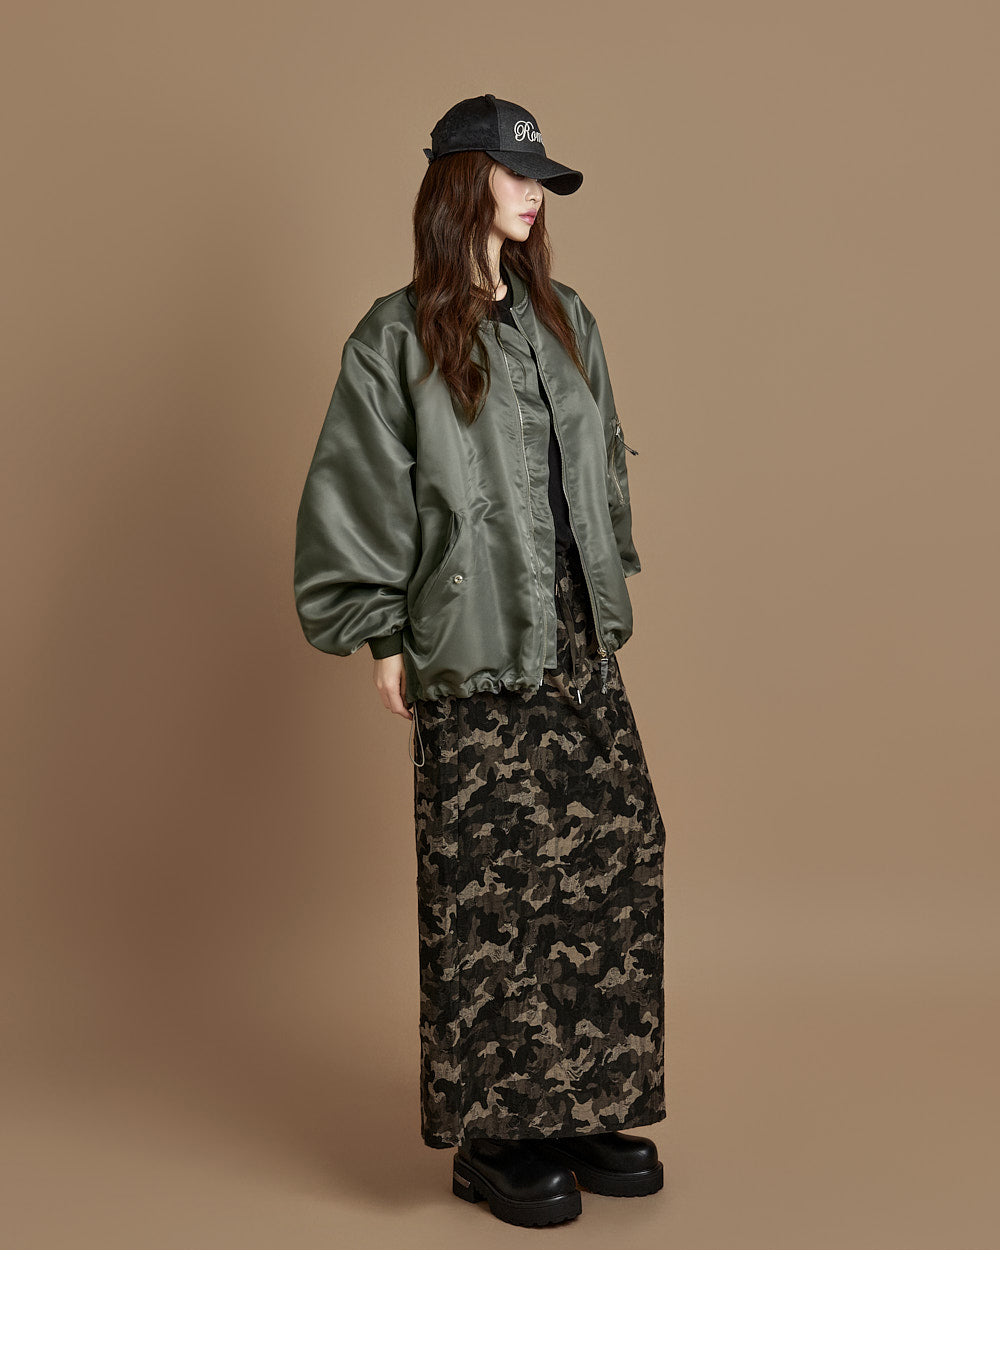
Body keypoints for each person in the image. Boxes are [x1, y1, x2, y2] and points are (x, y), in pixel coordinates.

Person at [293, 94, 667, 1228]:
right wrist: (378, 629)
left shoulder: (566, 317)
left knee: (609, 854)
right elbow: (357, 484)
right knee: (494, 885)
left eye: (539, 176)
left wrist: (607, 578)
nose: (532, 192)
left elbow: (599, 466)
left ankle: (585, 1100)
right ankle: (499, 1134)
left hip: (574, 635)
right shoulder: (395, 337)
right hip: (473, 643)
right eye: (514, 173)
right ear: (463, 182)